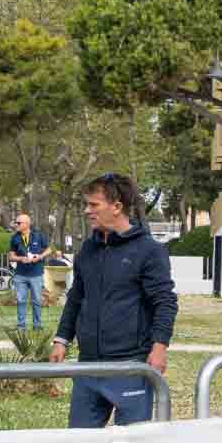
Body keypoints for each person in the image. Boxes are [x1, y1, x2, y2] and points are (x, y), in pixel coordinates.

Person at [49, 173, 179, 428]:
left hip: (130, 367)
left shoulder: (149, 250)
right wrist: (61, 339)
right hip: (88, 367)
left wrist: (159, 348)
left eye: (94, 205)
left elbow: (165, 302)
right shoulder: (88, 249)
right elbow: (76, 298)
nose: (87, 211)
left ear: (117, 207)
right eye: (86, 204)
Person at [7, 212, 50, 333]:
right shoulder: (15, 238)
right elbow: (11, 256)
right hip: (20, 274)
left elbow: (49, 249)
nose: (16, 225)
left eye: (19, 223)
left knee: (36, 300)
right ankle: (21, 326)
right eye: (16, 223)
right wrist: (21, 259)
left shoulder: (39, 235)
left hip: (36, 274)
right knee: (21, 300)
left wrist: (40, 257)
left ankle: (37, 325)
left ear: (27, 224)